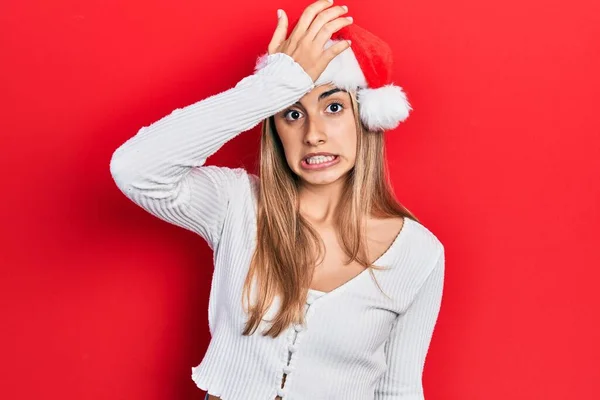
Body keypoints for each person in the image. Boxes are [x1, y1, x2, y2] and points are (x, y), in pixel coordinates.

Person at [109, 1, 445, 399]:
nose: (313, 134)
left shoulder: (417, 253)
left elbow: (400, 390)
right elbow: (135, 169)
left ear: (367, 119)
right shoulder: (236, 206)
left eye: (333, 107)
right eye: (292, 113)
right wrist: (270, 88)